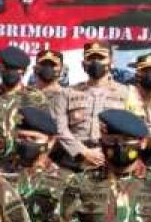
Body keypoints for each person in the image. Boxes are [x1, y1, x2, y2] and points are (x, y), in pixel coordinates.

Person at [53, 42, 143, 170]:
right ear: (83, 63)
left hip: (112, 159)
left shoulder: (128, 93)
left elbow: (136, 130)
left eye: (101, 58)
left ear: (111, 61)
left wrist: (108, 152)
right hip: (72, 161)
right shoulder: (66, 93)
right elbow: (59, 127)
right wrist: (83, 152)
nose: (96, 62)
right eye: (91, 58)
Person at [0, 46, 49, 165]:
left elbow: (47, 134)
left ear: (24, 72)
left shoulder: (36, 98)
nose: (10, 72)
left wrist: (41, 159)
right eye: (6, 68)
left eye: (15, 69)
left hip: (26, 162)